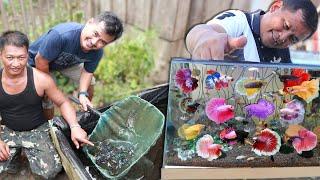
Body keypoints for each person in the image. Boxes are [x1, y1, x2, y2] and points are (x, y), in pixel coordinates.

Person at [0, 31, 94, 179]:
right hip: (7, 129)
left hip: (37, 130)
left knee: (50, 171)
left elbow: (63, 102)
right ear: (1, 56)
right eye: (10, 57)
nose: (16, 63)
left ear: (27, 55)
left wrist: (75, 127)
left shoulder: (41, 79)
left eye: (21, 57)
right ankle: (14, 164)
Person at [28, 11, 123, 119]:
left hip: (64, 63)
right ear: (89, 22)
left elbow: (87, 72)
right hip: (37, 62)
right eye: (95, 34)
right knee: (47, 94)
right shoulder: (61, 35)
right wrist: (50, 88)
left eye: (103, 42)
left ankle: (84, 113)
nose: (94, 42)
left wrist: (83, 93)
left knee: (90, 82)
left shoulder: (97, 52)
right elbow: (40, 61)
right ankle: (49, 124)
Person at [186, 0, 318, 63]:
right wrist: (203, 37)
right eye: (286, 26)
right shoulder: (239, 20)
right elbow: (206, 31)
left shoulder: (283, 54)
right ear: (275, 7)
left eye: (293, 39)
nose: (283, 37)